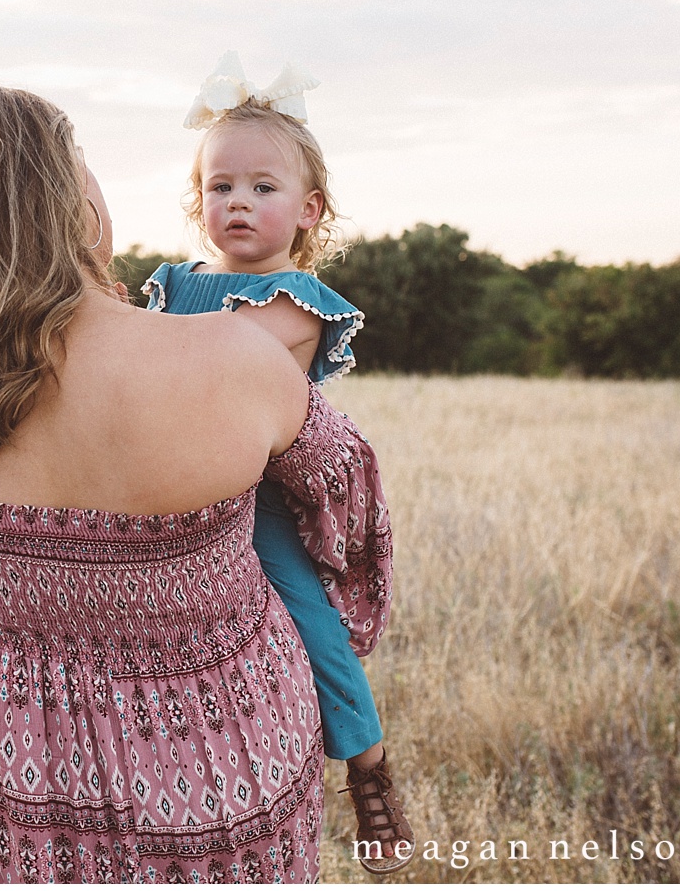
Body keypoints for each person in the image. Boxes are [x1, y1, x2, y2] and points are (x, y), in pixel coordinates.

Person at [0, 83, 392, 882]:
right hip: (224, 773)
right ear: (68, 196)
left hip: (22, 792)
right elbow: (346, 514)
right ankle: (367, 749)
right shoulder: (237, 356)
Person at [142, 52, 414, 874]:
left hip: (250, 496)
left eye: (263, 188)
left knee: (308, 616)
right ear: (199, 200)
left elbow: (217, 378)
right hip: (158, 483)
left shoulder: (296, 301)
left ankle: (368, 767)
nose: (239, 203)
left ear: (307, 209)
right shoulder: (169, 284)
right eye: (221, 186)